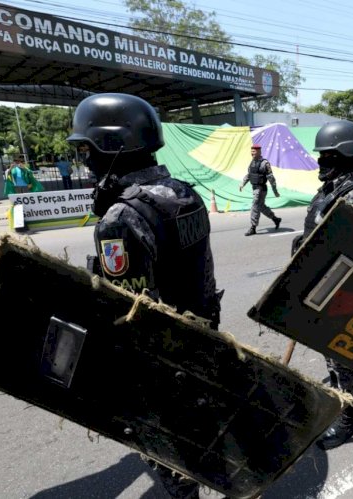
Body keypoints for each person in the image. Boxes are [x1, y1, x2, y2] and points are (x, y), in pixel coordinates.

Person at [67, 92, 222, 499]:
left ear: (114, 148)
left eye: (89, 151)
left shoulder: (121, 218)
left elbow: (131, 313)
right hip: (203, 335)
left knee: (166, 450)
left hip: (161, 358)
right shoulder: (184, 192)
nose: (86, 162)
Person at [292, 120, 353, 450]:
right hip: (322, 287)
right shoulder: (326, 192)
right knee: (331, 357)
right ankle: (340, 394)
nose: (321, 163)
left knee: (343, 359)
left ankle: (349, 419)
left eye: (328, 157)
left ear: (345, 158)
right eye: (321, 156)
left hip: (346, 292)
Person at [239, 144, 281, 236]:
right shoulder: (252, 162)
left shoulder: (264, 163)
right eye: (251, 151)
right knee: (261, 206)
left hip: (261, 189)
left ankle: (253, 227)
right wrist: (243, 183)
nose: (252, 153)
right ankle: (275, 219)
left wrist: (275, 191)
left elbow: (271, 178)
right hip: (255, 188)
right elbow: (249, 175)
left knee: (255, 205)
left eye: (254, 151)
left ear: (259, 151)